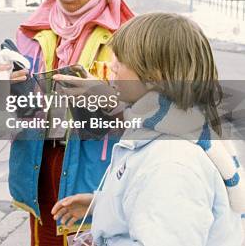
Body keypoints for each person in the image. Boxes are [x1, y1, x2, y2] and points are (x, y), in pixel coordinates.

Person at [51, 13, 244, 245]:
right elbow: (155, 206)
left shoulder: (172, 164)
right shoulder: (173, 129)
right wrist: (100, 204)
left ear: (154, 75)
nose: (111, 66)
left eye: (119, 61)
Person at [0, 0, 134, 245]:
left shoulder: (130, 35)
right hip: (40, 170)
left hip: (97, 178)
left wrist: (107, 100)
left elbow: (158, 117)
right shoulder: (31, 32)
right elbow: (7, 120)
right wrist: (4, 88)